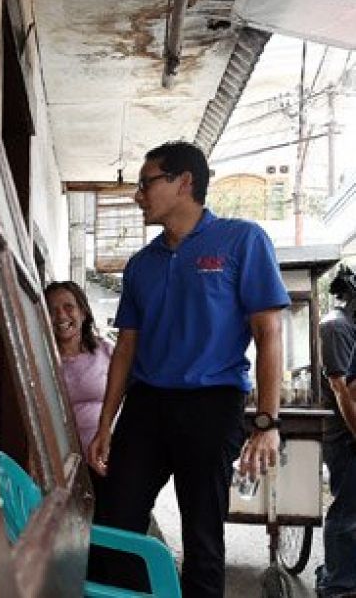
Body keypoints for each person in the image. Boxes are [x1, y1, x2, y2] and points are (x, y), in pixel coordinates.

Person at [87, 141, 288, 597]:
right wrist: (106, 425)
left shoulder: (241, 240)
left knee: (202, 537)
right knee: (115, 523)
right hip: (146, 406)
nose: (139, 195)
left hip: (212, 404)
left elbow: (268, 334)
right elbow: (125, 350)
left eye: (146, 183)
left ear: (184, 182)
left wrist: (267, 423)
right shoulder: (141, 265)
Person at [316, 264, 356, 597]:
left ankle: (341, 574)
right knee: (346, 511)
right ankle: (336, 585)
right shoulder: (336, 327)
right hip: (345, 435)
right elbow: (342, 389)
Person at [44, 281, 113, 460]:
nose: (60, 316)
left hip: (107, 456)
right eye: (52, 310)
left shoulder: (107, 352)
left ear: (83, 312)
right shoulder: (41, 360)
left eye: (69, 307)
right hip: (60, 464)